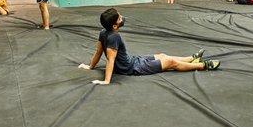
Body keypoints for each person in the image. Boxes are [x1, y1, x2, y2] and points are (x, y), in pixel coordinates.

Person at [78, 8, 220, 85]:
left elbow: (98, 52)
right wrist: (106, 81)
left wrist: (90, 66)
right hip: (133, 68)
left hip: (133, 60)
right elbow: (110, 60)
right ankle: (203, 65)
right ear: (115, 25)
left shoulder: (103, 32)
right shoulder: (114, 36)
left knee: (163, 55)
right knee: (170, 62)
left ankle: (192, 58)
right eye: (120, 19)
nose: (123, 19)